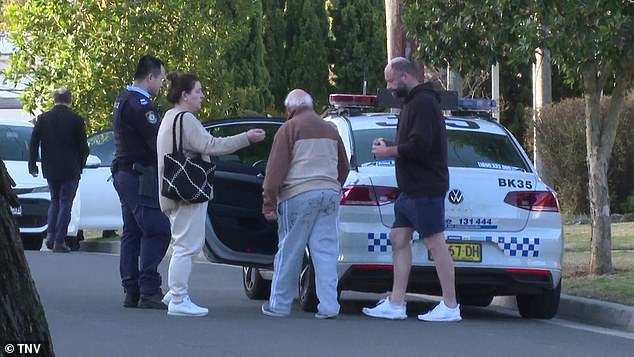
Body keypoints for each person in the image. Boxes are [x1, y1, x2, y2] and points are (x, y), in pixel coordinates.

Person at [157, 72, 266, 317]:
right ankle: (178, 298)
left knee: (182, 244)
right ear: (185, 95)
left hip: (172, 192)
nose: (202, 96)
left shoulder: (170, 117)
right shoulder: (187, 120)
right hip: (188, 194)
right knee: (187, 246)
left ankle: (174, 293)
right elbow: (212, 145)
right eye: (198, 92)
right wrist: (246, 138)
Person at [362, 57, 461, 322]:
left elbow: (421, 146)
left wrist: (389, 152)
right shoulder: (412, 104)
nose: (390, 87)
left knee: (435, 242)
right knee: (398, 237)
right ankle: (396, 303)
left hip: (425, 186)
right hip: (410, 188)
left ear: (405, 77)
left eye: (391, 81)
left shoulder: (423, 103)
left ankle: (450, 306)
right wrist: (390, 144)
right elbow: (412, 143)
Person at [260, 89, 350, 319]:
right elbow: (344, 167)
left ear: (291, 108)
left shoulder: (289, 129)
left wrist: (269, 203)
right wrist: (333, 185)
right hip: (329, 194)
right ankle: (329, 306)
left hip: (298, 194)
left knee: (290, 250)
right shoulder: (331, 129)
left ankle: (279, 305)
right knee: (326, 252)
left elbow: (275, 172)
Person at [112, 55, 171, 309]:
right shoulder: (142, 105)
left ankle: (131, 289)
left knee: (133, 231)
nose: (161, 84)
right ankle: (149, 288)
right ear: (150, 77)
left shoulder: (123, 98)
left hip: (125, 173)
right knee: (156, 228)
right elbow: (157, 142)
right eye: (161, 78)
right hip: (139, 175)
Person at [28, 88, 88, 253]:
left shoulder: (43, 118)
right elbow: (84, 147)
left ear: (54, 100)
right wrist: (80, 165)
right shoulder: (76, 120)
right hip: (70, 169)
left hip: (50, 168)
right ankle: (59, 241)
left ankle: (51, 235)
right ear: (70, 101)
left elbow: (33, 142)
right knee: (66, 203)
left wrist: (32, 165)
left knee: (55, 201)